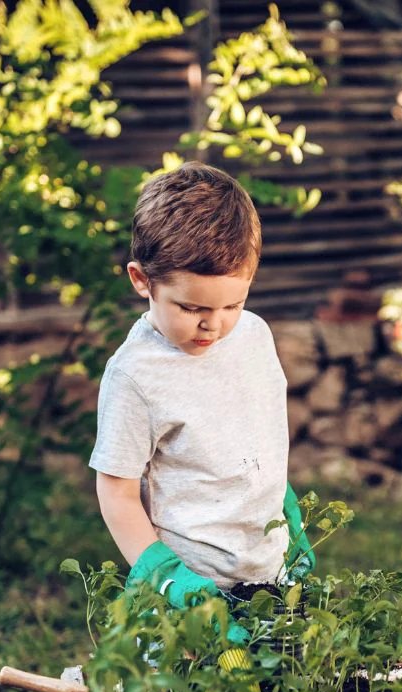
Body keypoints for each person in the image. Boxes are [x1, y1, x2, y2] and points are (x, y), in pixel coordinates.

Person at [89, 162, 315, 636]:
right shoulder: (135, 375)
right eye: (192, 308)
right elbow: (116, 493)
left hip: (271, 577)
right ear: (141, 280)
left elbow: (257, 437)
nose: (214, 324)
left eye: (233, 304)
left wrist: (284, 510)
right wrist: (167, 579)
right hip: (192, 595)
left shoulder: (254, 336)